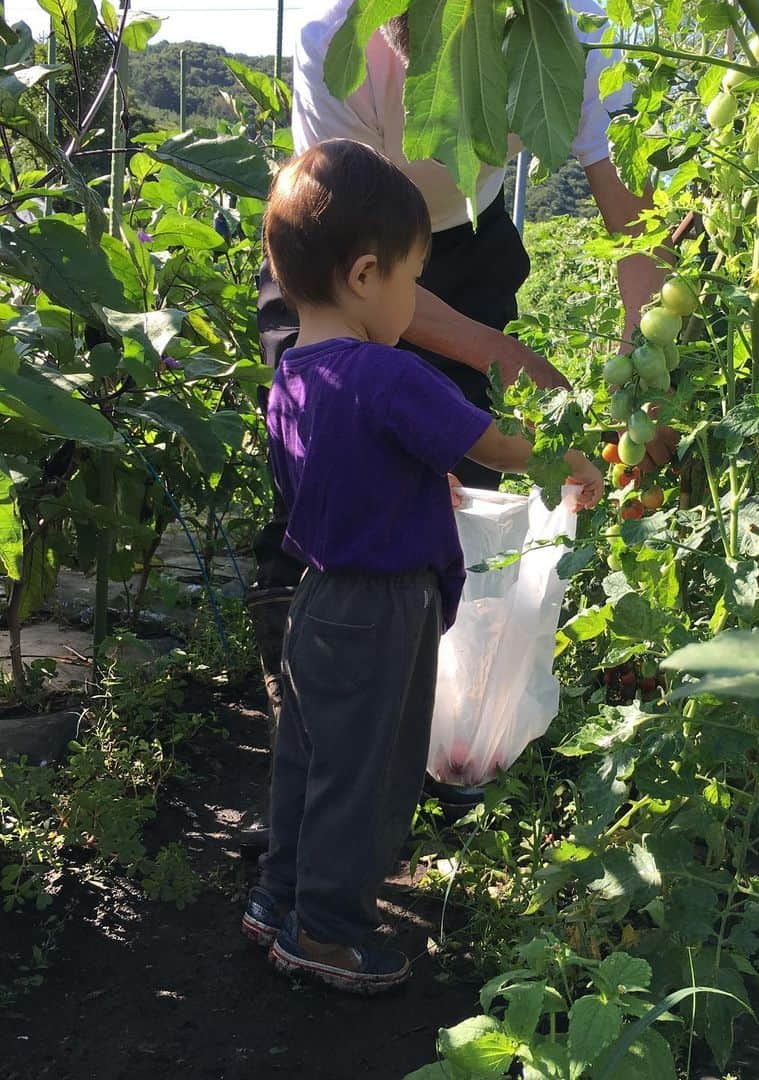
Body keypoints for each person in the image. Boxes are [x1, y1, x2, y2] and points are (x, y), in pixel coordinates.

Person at [239, 0, 674, 852]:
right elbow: (351, 267)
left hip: (462, 240)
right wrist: (515, 385)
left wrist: (643, 377)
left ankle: (435, 753)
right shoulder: (335, 42)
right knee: (334, 471)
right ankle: (327, 751)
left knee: (445, 511)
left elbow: (634, 221)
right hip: (344, 248)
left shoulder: (568, 29)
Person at [239, 139, 603, 992]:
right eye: (413, 280)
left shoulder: (291, 376)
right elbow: (492, 442)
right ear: (366, 275)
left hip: (317, 600)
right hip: (382, 609)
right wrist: (565, 460)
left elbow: (321, 477)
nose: (416, 301)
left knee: (309, 757)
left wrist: (412, 473)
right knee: (370, 776)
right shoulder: (389, 374)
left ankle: (276, 897)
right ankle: (325, 933)